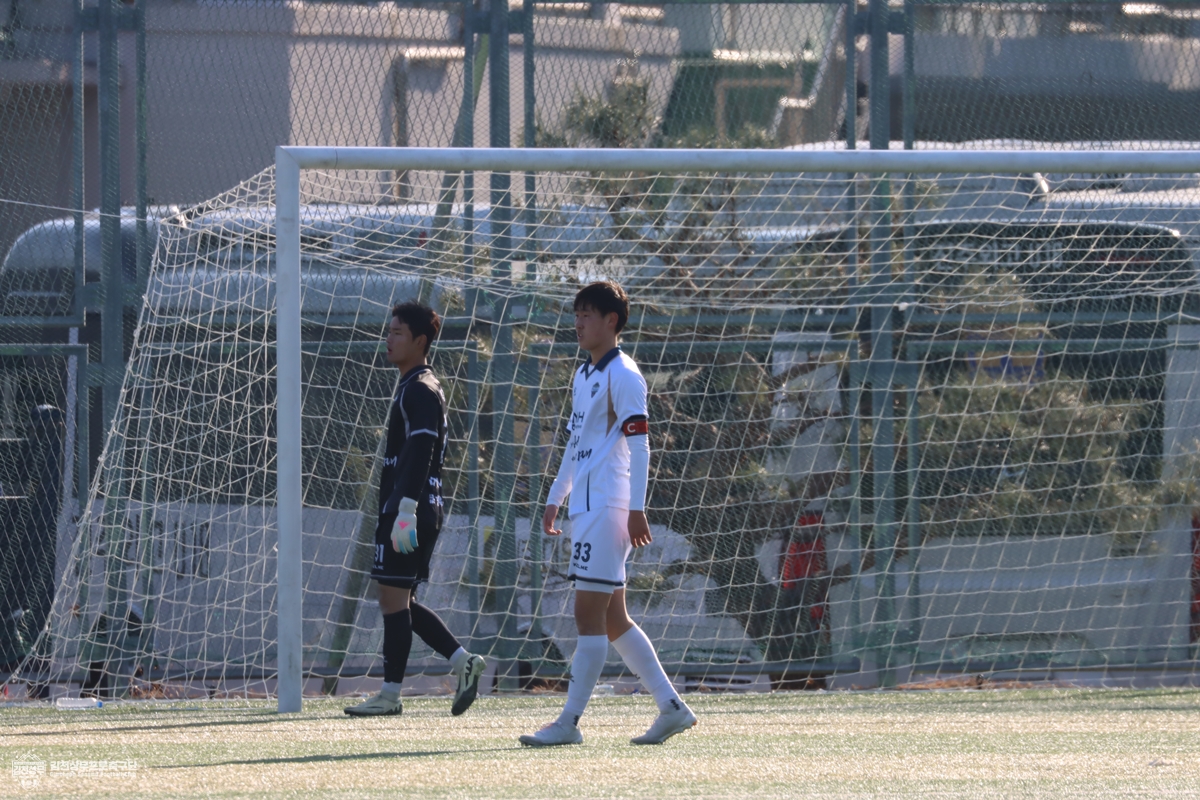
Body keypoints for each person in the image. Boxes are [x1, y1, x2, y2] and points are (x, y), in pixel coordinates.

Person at [519, 281, 697, 747]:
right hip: (586, 507)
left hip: (609, 507)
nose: (578, 323)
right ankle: (672, 708)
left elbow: (640, 447)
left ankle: (569, 722)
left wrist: (637, 509)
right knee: (614, 619)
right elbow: (575, 443)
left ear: (611, 321)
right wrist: (556, 495)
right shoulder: (583, 374)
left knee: (587, 614)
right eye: (576, 314)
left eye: (587, 315)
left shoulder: (625, 374)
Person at [344, 302, 486, 718]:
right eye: (388, 331)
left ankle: (390, 694)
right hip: (415, 505)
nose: (388, 339)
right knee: (398, 597)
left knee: (392, 600)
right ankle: (463, 662)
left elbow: (423, 450)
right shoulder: (414, 385)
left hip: (412, 507)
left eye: (398, 333)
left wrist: (405, 509)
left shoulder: (420, 388)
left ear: (420, 341)